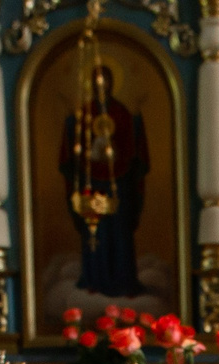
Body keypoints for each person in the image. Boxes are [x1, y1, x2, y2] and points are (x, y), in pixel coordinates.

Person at [61, 64, 150, 299]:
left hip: (119, 184)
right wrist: (71, 122)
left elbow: (132, 146)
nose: (102, 85)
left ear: (112, 82)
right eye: (97, 80)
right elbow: (75, 148)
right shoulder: (85, 112)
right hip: (93, 185)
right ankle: (94, 278)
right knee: (95, 235)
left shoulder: (121, 113)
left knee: (119, 234)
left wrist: (137, 120)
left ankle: (124, 281)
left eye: (106, 80)